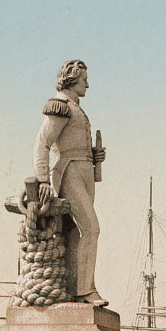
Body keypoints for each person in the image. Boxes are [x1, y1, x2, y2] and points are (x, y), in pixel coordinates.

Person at [34, 59, 108, 306]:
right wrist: (43, 179)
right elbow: (42, 144)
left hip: (85, 171)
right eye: (84, 79)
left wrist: (95, 156)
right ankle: (86, 291)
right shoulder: (60, 105)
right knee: (91, 227)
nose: (88, 84)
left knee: (77, 233)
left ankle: (74, 289)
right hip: (68, 171)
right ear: (72, 80)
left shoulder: (76, 107)